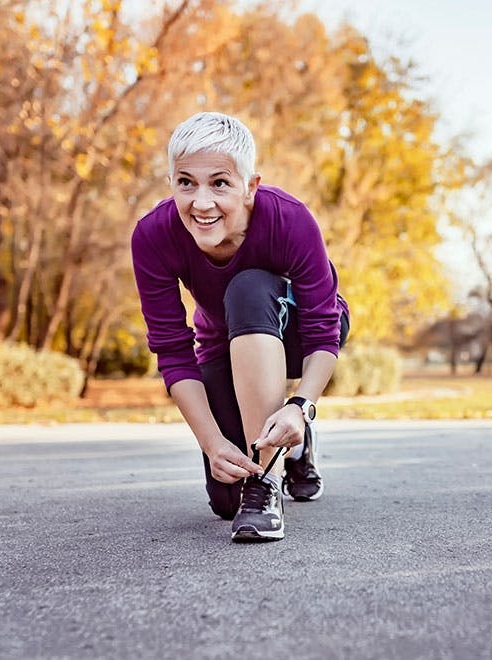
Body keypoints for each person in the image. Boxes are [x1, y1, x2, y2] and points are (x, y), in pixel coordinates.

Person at [130, 112, 350, 542]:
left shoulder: (290, 219)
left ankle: (268, 482)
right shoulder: (153, 236)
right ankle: (291, 446)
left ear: (250, 186)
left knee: (247, 288)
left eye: (220, 183)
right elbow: (174, 352)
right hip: (223, 347)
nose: (202, 202)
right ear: (171, 182)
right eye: (186, 182)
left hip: (300, 333)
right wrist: (212, 443)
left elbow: (323, 330)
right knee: (226, 497)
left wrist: (301, 405)